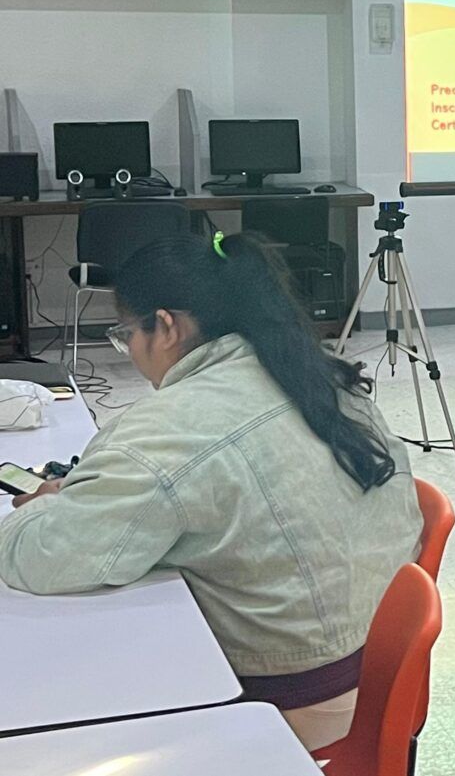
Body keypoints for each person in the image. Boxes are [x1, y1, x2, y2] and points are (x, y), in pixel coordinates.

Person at [0, 232, 422, 752]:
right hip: (378, 673)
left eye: (125, 334)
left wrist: (47, 506)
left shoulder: (166, 429)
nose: (129, 352)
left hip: (291, 704)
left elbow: (44, 559)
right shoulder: (316, 374)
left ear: (167, 326)